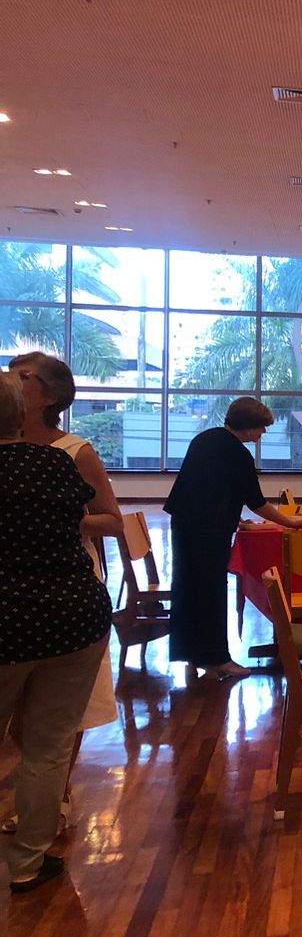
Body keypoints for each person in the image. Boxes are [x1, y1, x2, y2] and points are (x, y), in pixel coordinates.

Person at [0, 371, 114, 893]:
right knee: (48, 748)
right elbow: (79, 517)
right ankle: (28, 862)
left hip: (10, 620)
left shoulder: (68, 454)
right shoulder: (53, 463)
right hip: (71, 615)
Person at [164, 397, 302, 680]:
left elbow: (210, 490)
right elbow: (256, 501)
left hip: (184, 524)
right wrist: (291, 522)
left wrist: (239, 522)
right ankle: (218, 659)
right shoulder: (237, 453)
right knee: (212, 592)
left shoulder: (205, 439)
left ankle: (193, 653)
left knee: (188, 588)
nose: (263, 433)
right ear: (247, 426)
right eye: (261, 427)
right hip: (209, 531)